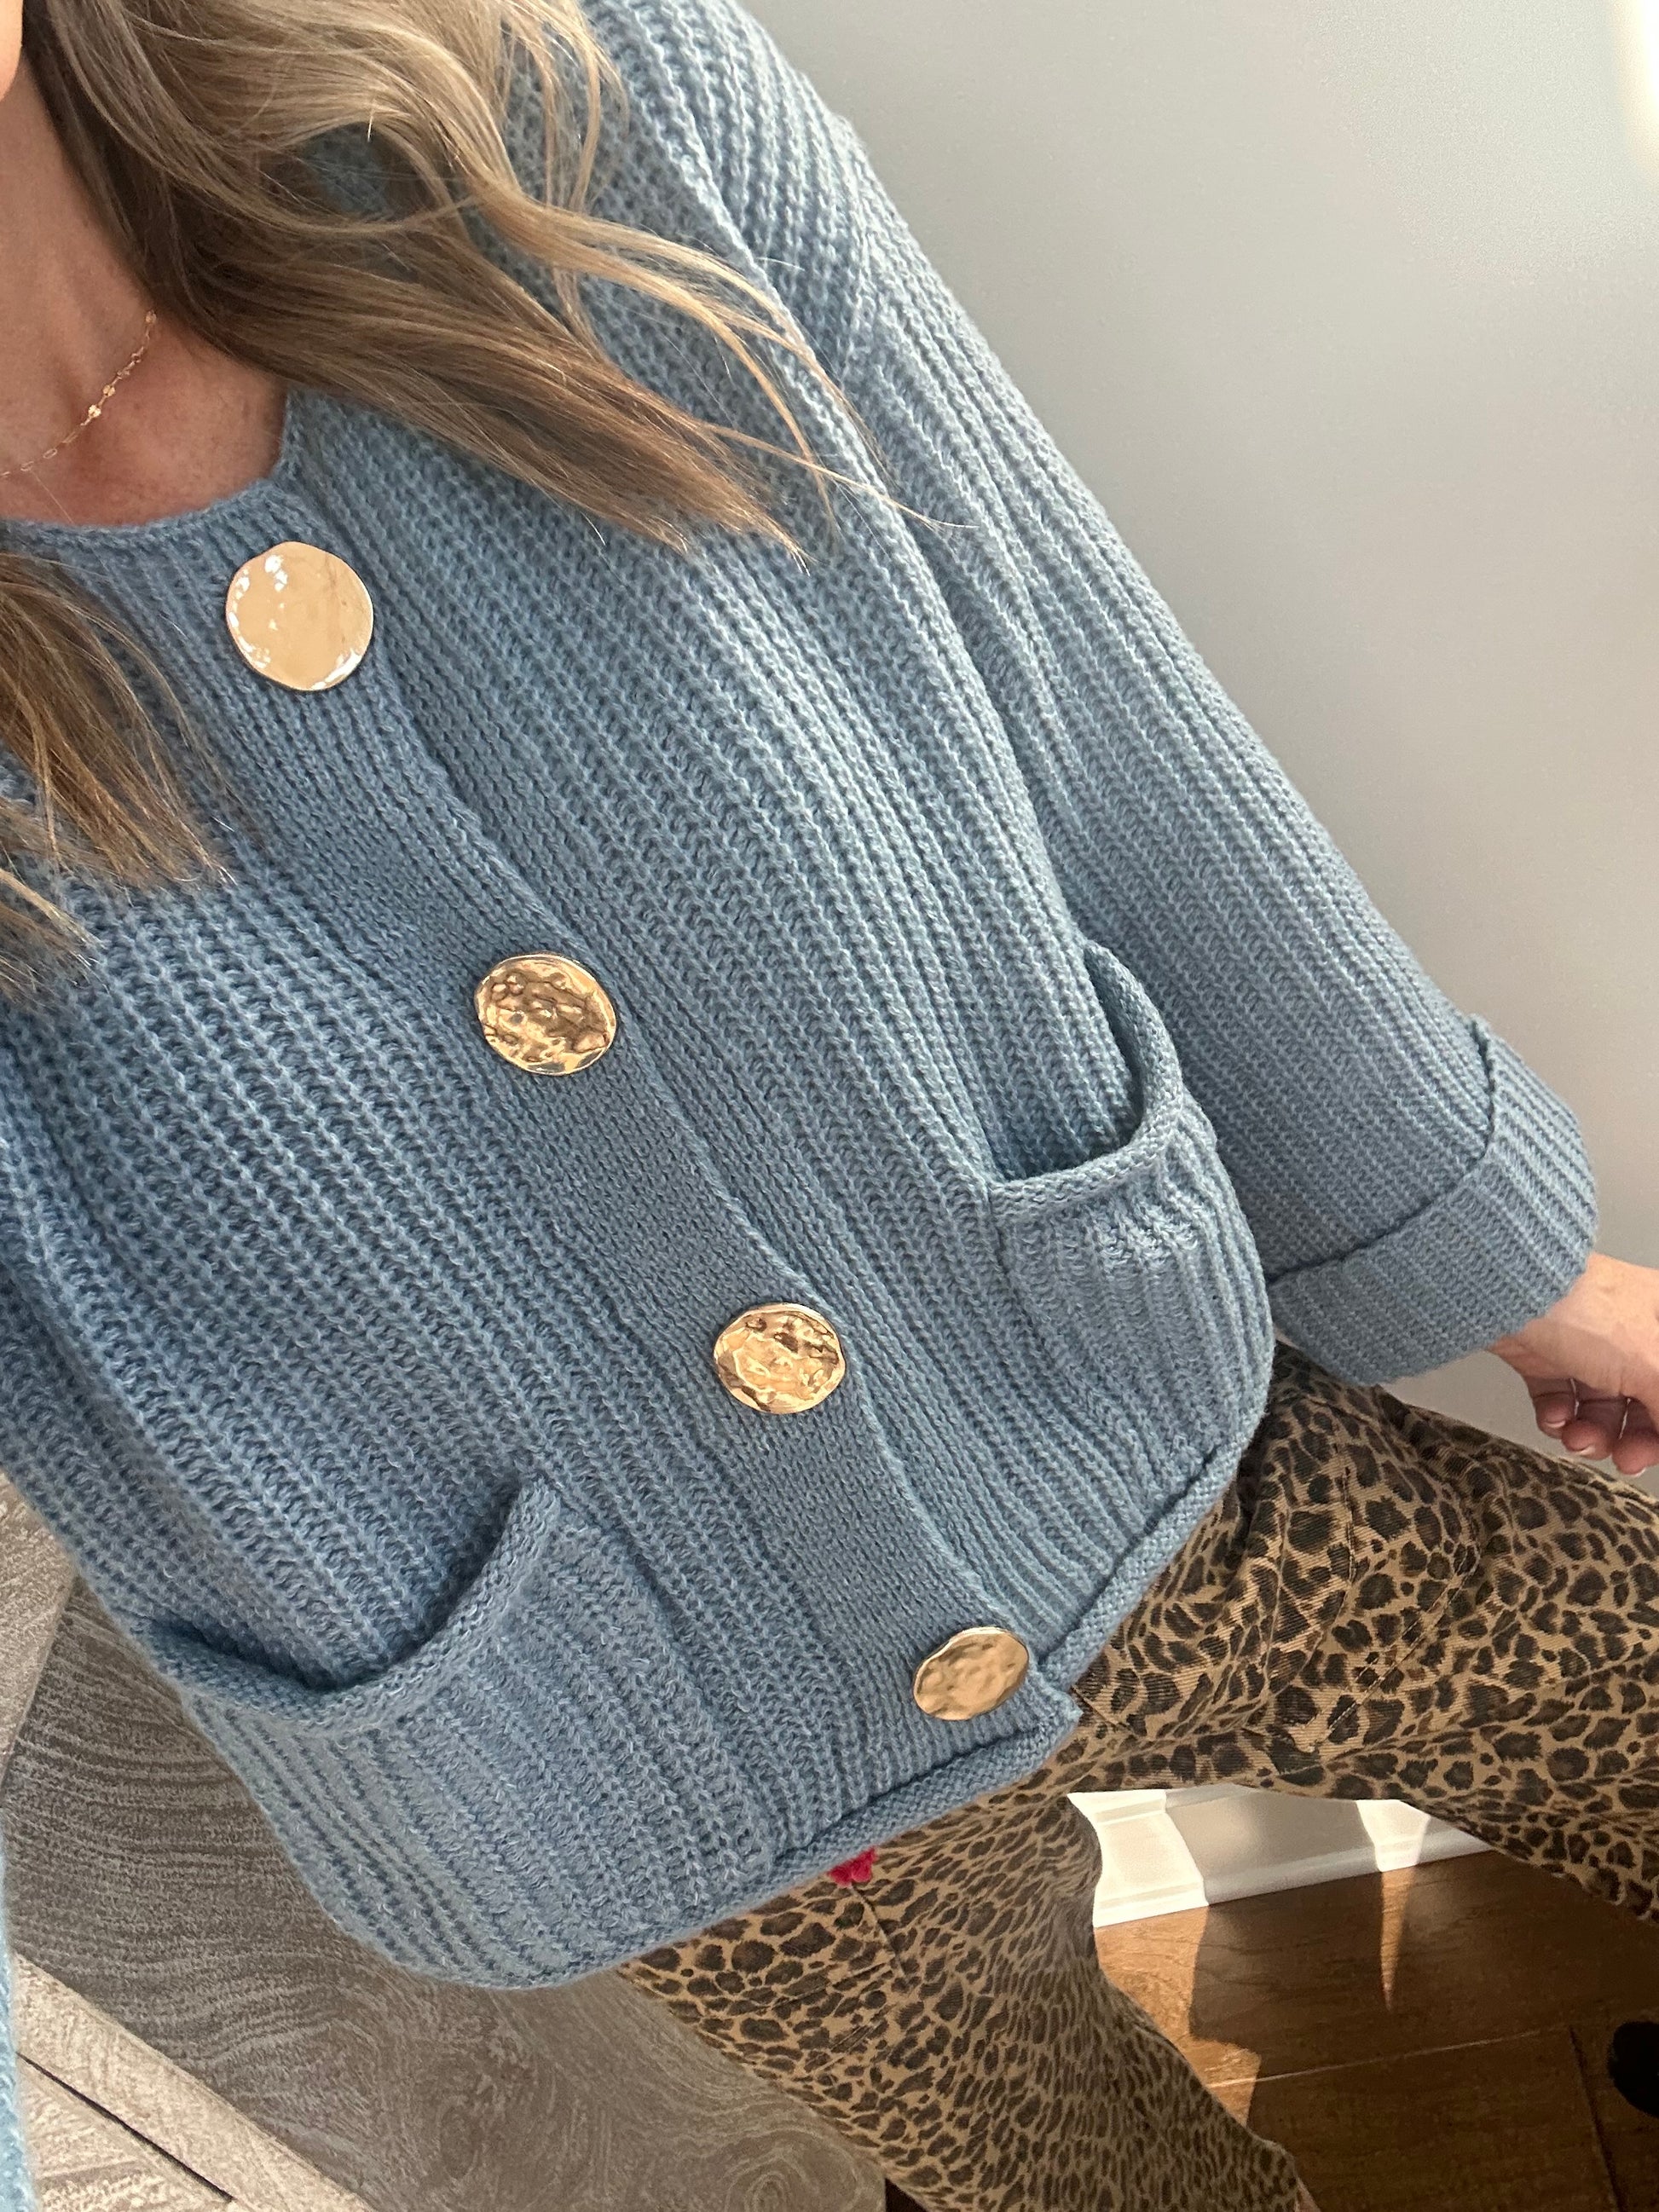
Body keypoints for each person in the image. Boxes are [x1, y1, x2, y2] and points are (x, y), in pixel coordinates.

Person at [0, 1, 1654, 2206]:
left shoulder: (564, 103)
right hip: (627, 1756)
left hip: (1115, 1415)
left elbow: (1091, 718)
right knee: (1088, 2186)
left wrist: (1498, 1260)